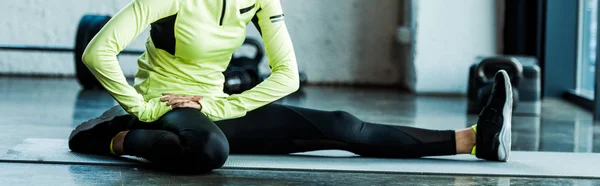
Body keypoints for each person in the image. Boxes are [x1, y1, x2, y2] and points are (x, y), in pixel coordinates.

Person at [68, 0, 513, 173]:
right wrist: (142, 107)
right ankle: (118, 134)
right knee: (209, 152)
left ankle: (475, 139)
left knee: (340, 124)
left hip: (214, 106)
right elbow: (98, 51)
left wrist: (221, 105)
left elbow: (288, 76)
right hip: (165, 102)